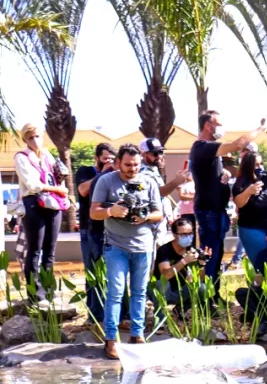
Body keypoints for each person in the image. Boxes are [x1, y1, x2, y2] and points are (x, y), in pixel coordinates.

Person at [90, 144, 164, 359]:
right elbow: (94, 212)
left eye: (136, 165)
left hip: (144, 245)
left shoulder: (149, 182)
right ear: (118, 163)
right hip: (116, 246)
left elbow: (159, 213)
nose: (132, 169)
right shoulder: (106, 181)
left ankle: (137, 335)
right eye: (128, 165)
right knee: (116, 292)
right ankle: (111, 339)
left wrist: (145, 216)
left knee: (139, 292)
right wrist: (111, 211)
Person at [189, 111, 267, 285]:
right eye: (219, 124)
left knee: (217, 254)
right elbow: (237, 145)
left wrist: (224, 172)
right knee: (210, 255)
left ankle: (214, 292)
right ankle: (207, 293)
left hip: (216, 211)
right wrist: (261, 127)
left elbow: (208, 171)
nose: (221, 128)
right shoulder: (203, 146)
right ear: (208, 126)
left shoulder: (209, 152)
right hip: (209, 211)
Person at [14, 123, 68, 300]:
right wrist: (57, 189)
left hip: (53, 203)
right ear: (25, 139)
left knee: (50, 251)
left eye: (37, 136)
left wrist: (61, 189)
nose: (35, 140)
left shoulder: (47, 155)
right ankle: (35, 294)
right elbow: (32, 184)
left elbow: (58, 176)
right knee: (35, 250)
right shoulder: (21, 157)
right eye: (30, 137)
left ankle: (48, 289)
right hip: (34, 203)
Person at [75, 143, 116, 322]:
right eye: (105, 159)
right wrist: (102, 174)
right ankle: (94, 315)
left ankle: (113, 313)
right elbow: (83, 190)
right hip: (89, 229)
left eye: (112, 160)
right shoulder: (85, 171)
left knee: (111, 273)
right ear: (97, 158)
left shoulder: (116, 175)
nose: (109, 163)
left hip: (110, 229)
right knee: (93, 272)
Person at [232, 152, 267, 264]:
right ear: (248, 166)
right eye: (256, 165)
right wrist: (248, 192)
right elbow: (239, 203)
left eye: (261, 164)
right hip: (251, 227)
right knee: (262, 261)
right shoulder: (241, 182)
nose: (259, 167)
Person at [138, 137, 189, 248]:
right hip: (150, 223)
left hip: (159, 222)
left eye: (161, 152)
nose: (159, 156)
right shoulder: (143, 171)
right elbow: (159, 192)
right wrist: (177, 181)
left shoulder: (153, 169)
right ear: (143, 154)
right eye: (155, 153)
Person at [153, 217, 210, 315]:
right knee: (160, 284)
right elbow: (165, 276)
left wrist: (202, 264)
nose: (188, 237)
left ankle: (181, 310)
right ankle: (159, 317)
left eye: (190, 233)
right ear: (174, 235)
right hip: (164, 291)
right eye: (183, 234)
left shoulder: (193, 251)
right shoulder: (164, 250)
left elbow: (200, 279)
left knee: (202, 288)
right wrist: (184, 261)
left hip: (182, 291)